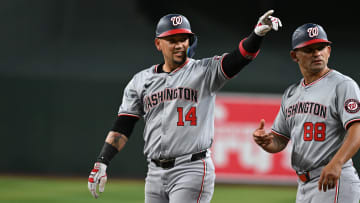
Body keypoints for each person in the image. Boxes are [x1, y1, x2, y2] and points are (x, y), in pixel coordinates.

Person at [88, 10, 282, 202]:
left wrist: (256, 35)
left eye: (184, 39)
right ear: (158, 43)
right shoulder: (141, 81)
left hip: (191, 169)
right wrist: (102, 161)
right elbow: (123, 126)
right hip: (154, 172)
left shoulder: (204, 71)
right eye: (172, 40)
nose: (180, 44)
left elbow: (239, 58)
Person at [252, 23, 360, 203]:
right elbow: (279, 140)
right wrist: (266, 141)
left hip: (333, 179)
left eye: (320, 48)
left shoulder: (343, 85)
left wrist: (337, 162)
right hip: (304, 185)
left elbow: (357, 129)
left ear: (329, 50)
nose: (316, 53)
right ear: (295, 55)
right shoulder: (291, 93)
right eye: (309, 49)